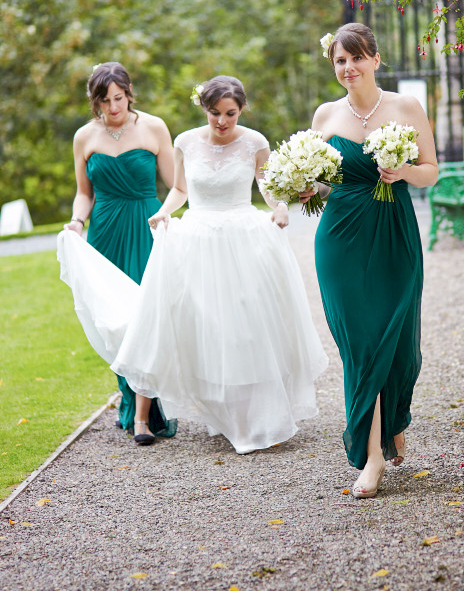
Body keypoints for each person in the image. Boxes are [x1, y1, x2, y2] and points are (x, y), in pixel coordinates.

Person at [61, 75, 328, 455]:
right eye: (215, 113)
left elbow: (266, 185)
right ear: (204, 109)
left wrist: (282, 206)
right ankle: (221, 410)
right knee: (208, 327)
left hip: (243, 236)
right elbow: (181, 189)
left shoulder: (255, 142)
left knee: (247, 324)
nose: (222, 121)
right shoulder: (185, 141)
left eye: (230, 114)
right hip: (200, 238)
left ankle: (255, 414)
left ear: (241, 110)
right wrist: (164, 213)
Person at [308, 23, 439, 498]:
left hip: (393, 232)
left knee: (397, 339)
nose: (348, 68)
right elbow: (321, 182)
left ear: (376, 59)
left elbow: (431, 171)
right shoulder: (325, 115)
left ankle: (394, 419)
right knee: (361, 343)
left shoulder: (404, 107)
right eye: (340, 61)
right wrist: (306, 188)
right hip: (340, 239)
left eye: (356, 58)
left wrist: (402, 170)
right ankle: (373, 457)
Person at [61, 61, 178, 446]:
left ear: (129, 92)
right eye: (104, 101)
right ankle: (131, 403)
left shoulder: (154, 127)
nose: (113, 108)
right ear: (94, 102)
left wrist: (166, 215)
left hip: (145, 227)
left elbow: (176, 184)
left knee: (145, 317)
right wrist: (78, 222)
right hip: (105, 232)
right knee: (115, 320)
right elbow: (84, 192)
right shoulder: (84, 137)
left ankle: (144, 413)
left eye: (118, 98)